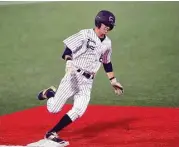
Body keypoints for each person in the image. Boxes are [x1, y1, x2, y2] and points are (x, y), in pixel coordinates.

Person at [37, 10, 124, 146]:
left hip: (87, 82)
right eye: (105, 24)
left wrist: (113, 80)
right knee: (54, 109)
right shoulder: (85, 34)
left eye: (110, 26)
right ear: (98, 22)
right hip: (73, 75)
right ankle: (50, 93)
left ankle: (52, 133)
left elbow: (107, 62)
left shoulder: (107, 43)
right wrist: (68, 61)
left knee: (79, 110)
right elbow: (68, 49)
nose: (108, 27)